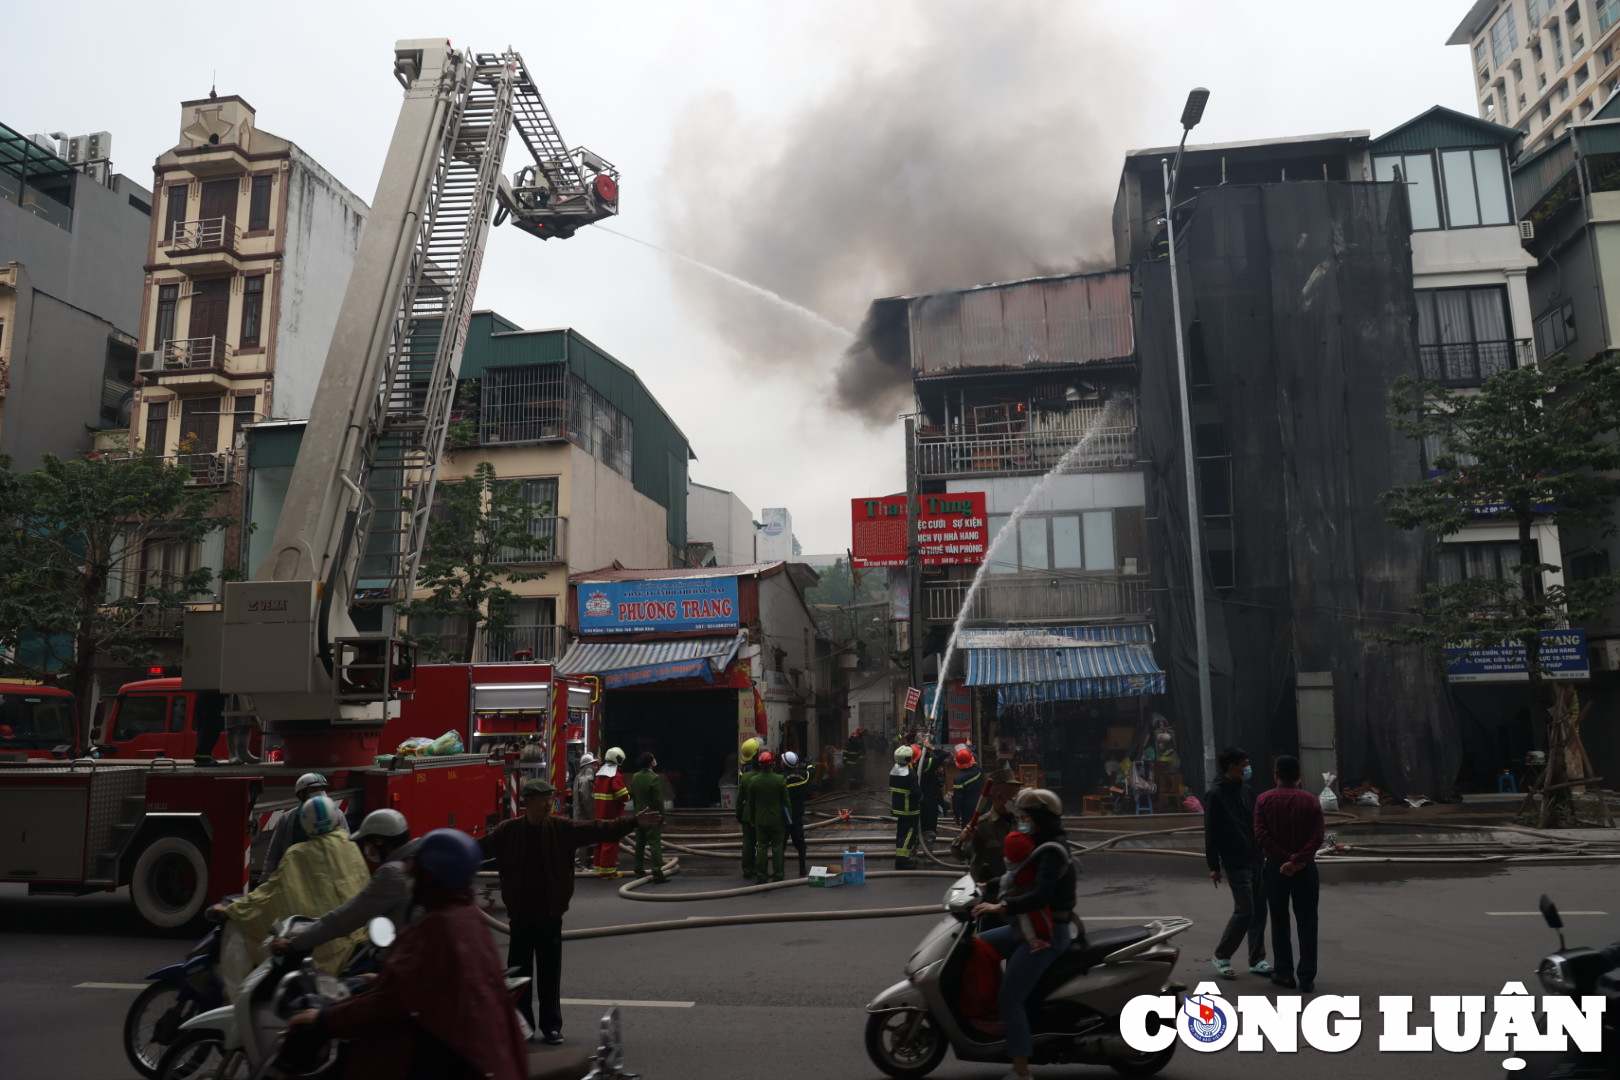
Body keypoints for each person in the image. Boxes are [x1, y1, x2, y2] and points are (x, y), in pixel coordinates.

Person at [287, 828, 529, 1080]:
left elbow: (391, 1004)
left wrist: (325, 1019)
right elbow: (424, 985)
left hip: (448, 1056)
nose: (411, 880)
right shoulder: (465, 917)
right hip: (474, 1051)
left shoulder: (437, 926)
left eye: (417, 873)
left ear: (431, 876)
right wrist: (381, 980)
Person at [479, 777, 661, 1044]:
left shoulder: (560, 828)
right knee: (519, 975)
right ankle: (522, 1026)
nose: (548, 803)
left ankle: (551, 1026)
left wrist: (633, 822)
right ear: (528, 801)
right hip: (519, 915)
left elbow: (598, 829)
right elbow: (478, 849)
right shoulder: (509, 831)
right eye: (543, 798)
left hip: (550, 914)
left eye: (549, 798)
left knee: (550, 973)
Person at [970, 789, 1079, 1080]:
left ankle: (1021, 1069)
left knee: (1010, 998)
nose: (1022, 821)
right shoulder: (1039, 843)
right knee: (978, 945)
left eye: (1027, 816)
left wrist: (1000, 905)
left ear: (1040, 818)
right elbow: (1017, 876)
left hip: (1047, 933)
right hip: (1028, 925)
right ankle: (990, 1012)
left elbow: (1039, 893)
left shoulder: (1053, 851)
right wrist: (987, 885)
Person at [212, 794, 371, 986]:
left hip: (317, 947)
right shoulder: (351, 847)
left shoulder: (297, 852)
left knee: (241, 929)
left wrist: (234, 909)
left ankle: (235, 1002)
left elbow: (271, 891)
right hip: (354, 942)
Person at [271, 808, 420, 960]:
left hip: (400, 964)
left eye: (368, 844)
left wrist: (294, 943)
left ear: (379, 841)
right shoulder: (415, 864)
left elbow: (345, 918)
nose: (368, 851)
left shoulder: (392, 873)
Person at [1254, 753, 1324, 993]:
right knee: (1307, 921)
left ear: (1276, 775)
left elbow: (1262, 835)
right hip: (1305, 868)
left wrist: (1285, 860)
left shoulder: (1263, 800)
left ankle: (1284, 973)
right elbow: (1317, 837)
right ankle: (1306, 977)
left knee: (1279, 920)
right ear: (1299, 777)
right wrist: (1297, 860)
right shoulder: (1312, 801)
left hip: (1276, 868)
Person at [1205, 746, 1270, 980]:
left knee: (1260, 910)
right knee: (1245, 911)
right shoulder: (1216, 795)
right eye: (1245, 765)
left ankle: (1257, 959)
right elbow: (1211, 832)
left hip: (1256, 858)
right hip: (1235, 861)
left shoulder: (1247, 791)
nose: (1248, 768)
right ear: (1232, 767)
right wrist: (1213, 866)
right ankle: (1221, 955)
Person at [950, 767, 1022, 900]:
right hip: (990, 896)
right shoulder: (981, 826)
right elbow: (959, 854)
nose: (1017, 796)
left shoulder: (1022, 823)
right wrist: (964, 839)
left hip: (1017, 893)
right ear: (1000, 796)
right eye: (1013, 792)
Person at [260, 772, 328, 879]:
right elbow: (274, 854)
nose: (319, 792)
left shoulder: (336, 815)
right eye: (314, 789)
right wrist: (266, 879)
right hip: (295, 878)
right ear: (301, 794)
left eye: (322, 788)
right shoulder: (288, 819)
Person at [999, 829, 1053, 952]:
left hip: (1017, 908)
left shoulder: (1016, 871)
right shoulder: (1029, 867)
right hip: (1022, 907)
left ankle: (1033, 941)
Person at [748, 750, 791, 882]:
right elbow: (786, 801)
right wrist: (789, 818)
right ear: (772, 763)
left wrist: (752, 819)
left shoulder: (753, 781)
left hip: (760, 819)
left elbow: (751, 803)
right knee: (777, 847)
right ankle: (778, 874)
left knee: (762, 847)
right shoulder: (780, 780)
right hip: (777, 819)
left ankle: (762, 875)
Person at [591, 747, 631, 878]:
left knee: (600, 842)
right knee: (610, 843)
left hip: (599, 816)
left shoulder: (599, 775)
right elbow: (622, 795)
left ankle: (597, 868)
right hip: (611, 815)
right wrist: (628, 797)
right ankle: (608, 872)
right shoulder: (615, 776)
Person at [629, 751, 667, 883]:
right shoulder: (654, 778)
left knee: (640, 843)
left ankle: (638, 870)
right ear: (652, 763)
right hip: (652, 816)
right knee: (654, 844)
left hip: (639, 815)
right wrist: (662, 818)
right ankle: (657, 873)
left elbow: (633, 796)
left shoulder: (635, 777)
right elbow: (658, 802)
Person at [782, 750, 814, 878]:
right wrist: (809, 764)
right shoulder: (803, 776)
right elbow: (811, 772)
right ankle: (802, 869)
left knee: (781, 843)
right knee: (800, 842)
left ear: (784, 763)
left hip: (784, 815)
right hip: (798, 814)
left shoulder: (780, 778)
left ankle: (780, 870)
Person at [890, 745, 921, 871]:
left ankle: (900, 859)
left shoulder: (894, 770)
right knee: (909, 835)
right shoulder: (910, 774)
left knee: (901, 834)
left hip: (899, 809)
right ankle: (903, 862)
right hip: (910, 810)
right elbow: (916, 793)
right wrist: (921, 798)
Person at [736, 742, 763, 880]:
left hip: (747, 814)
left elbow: (740, 799)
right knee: (762, 843)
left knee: (748, 842)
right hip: (762, 814)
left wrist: (738, 814)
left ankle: (747, 869)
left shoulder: (744, 775)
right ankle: (761, 870)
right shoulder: (770, 776)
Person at [571, 750, 597, 869]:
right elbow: (587, 801)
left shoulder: (579, 778)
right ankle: (579, 866)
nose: (596, 767)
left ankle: (582, 864)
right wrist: (593, 816)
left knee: (584, 840)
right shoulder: (586, 781)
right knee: (582, 841)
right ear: (588, 766)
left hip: (579, 814)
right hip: (584, 815)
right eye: (594, 765)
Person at [918, 741, 947, 843]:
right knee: (929, 829)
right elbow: (944, 754)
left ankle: (912, 855)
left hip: (916, 801)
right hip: (930, 799)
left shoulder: (910, 765)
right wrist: (931, 747)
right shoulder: (929, 763)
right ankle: (928, 857)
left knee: (916, 829)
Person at [952, 746, 983, 830]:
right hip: (982, 804)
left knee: (968, 831)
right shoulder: (977, 768)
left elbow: (957, 798)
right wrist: (969, 747)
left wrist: (956, 814)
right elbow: (975, 757)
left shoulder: (959, 779)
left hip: (968, 809)